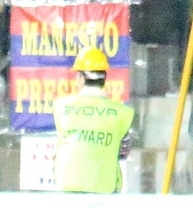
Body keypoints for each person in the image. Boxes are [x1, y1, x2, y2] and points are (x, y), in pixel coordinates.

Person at [54, 47, 135, 194]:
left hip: (68, 189)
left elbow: (61, 142)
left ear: (81, 78)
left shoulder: (62, 108)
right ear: (104, 79)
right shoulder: (121, 114)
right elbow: (123, 152)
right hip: (104, 191)